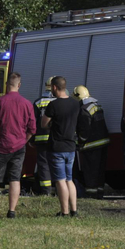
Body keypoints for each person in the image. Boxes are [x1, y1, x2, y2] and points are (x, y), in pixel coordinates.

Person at [0, 73, 35, 219]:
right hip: (18, 147)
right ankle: (11, 212)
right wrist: (24, 140)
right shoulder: (27, 104)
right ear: (19, 85)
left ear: (6, 85)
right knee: (15, 179)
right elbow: (32, 128)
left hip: (0, 145)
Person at [42, 76, 80, 217]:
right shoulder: (76, 104)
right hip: (71, 146)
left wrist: (52, 125)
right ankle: (74, 210)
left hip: (57, 147)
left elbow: (44, 124)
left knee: (60, 180)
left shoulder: (54, 105)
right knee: (69, 180)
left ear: (54, 87)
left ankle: (64, 212)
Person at [72, 86, 110, 199]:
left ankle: (91, 194)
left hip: (91, 145)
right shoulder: (96, 105)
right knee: (99, 171)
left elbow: (85, 129)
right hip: (103, 143)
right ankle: (99, 193)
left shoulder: (84, 109)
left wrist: (80, 141)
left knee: (90, 171)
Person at [32, 77, 57, 195]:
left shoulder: (39, 102)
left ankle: (46, 191)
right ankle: (58, 189)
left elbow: (32, 122)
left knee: (44, 165)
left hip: (41, 140)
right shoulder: (60, 102)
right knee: (57, 163)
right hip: (57, 139)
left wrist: (31, 139)